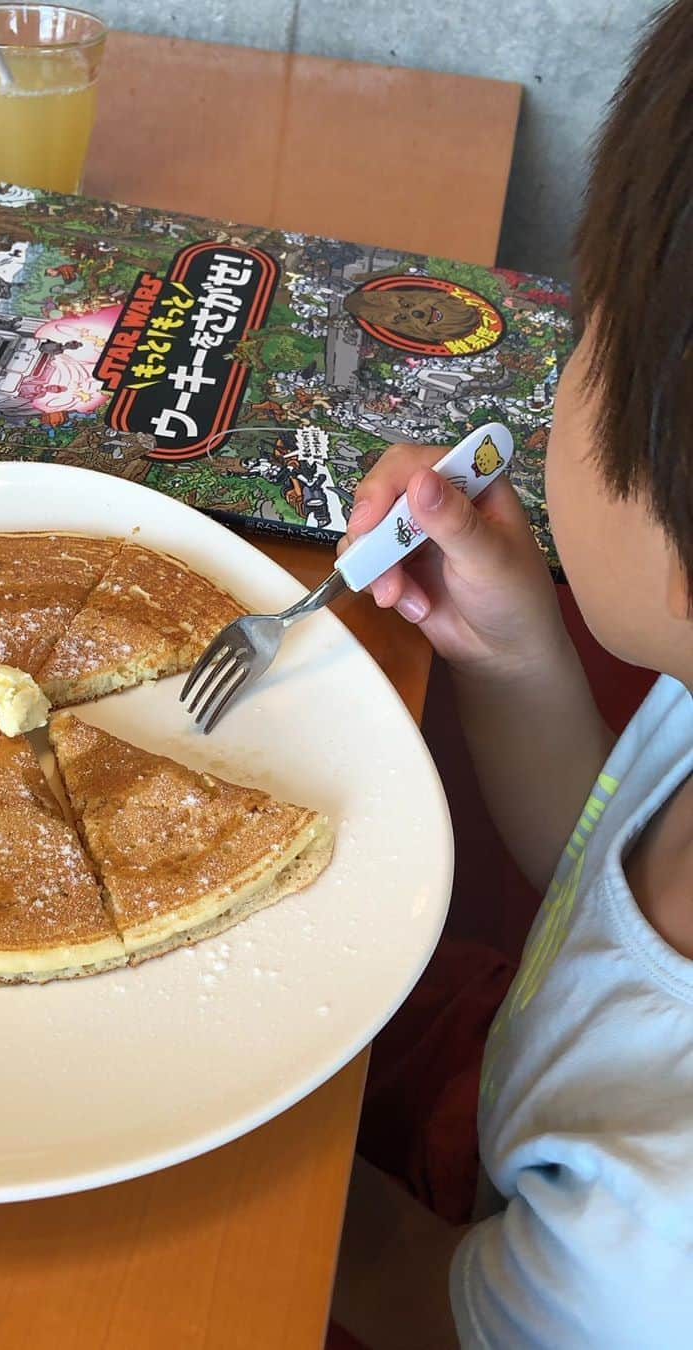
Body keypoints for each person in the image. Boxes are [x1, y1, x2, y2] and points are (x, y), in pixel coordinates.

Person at [329, 2, 693, 1345]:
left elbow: (437, 1303)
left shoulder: (654, 1239)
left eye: (587, 332)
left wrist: (275, 1180)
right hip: (514, 1123)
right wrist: (513, 641)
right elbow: (598, 865)